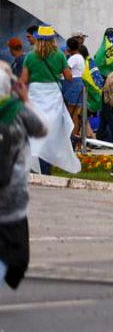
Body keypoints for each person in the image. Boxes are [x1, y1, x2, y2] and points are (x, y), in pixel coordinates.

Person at [0, 65, 46, 294]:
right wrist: (25, 99)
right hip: (12, 200)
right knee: (17, 258)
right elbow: (42, 128)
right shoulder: (18, 112)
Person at [21, 28, 79, 175]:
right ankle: (46, 169)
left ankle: (34, 166)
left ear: (38, 38)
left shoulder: (30, 56)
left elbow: (24, 79)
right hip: (53, 96)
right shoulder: (59, 55)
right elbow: (69, 77)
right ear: (52, 39)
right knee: (51, 133)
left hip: (35, 95)